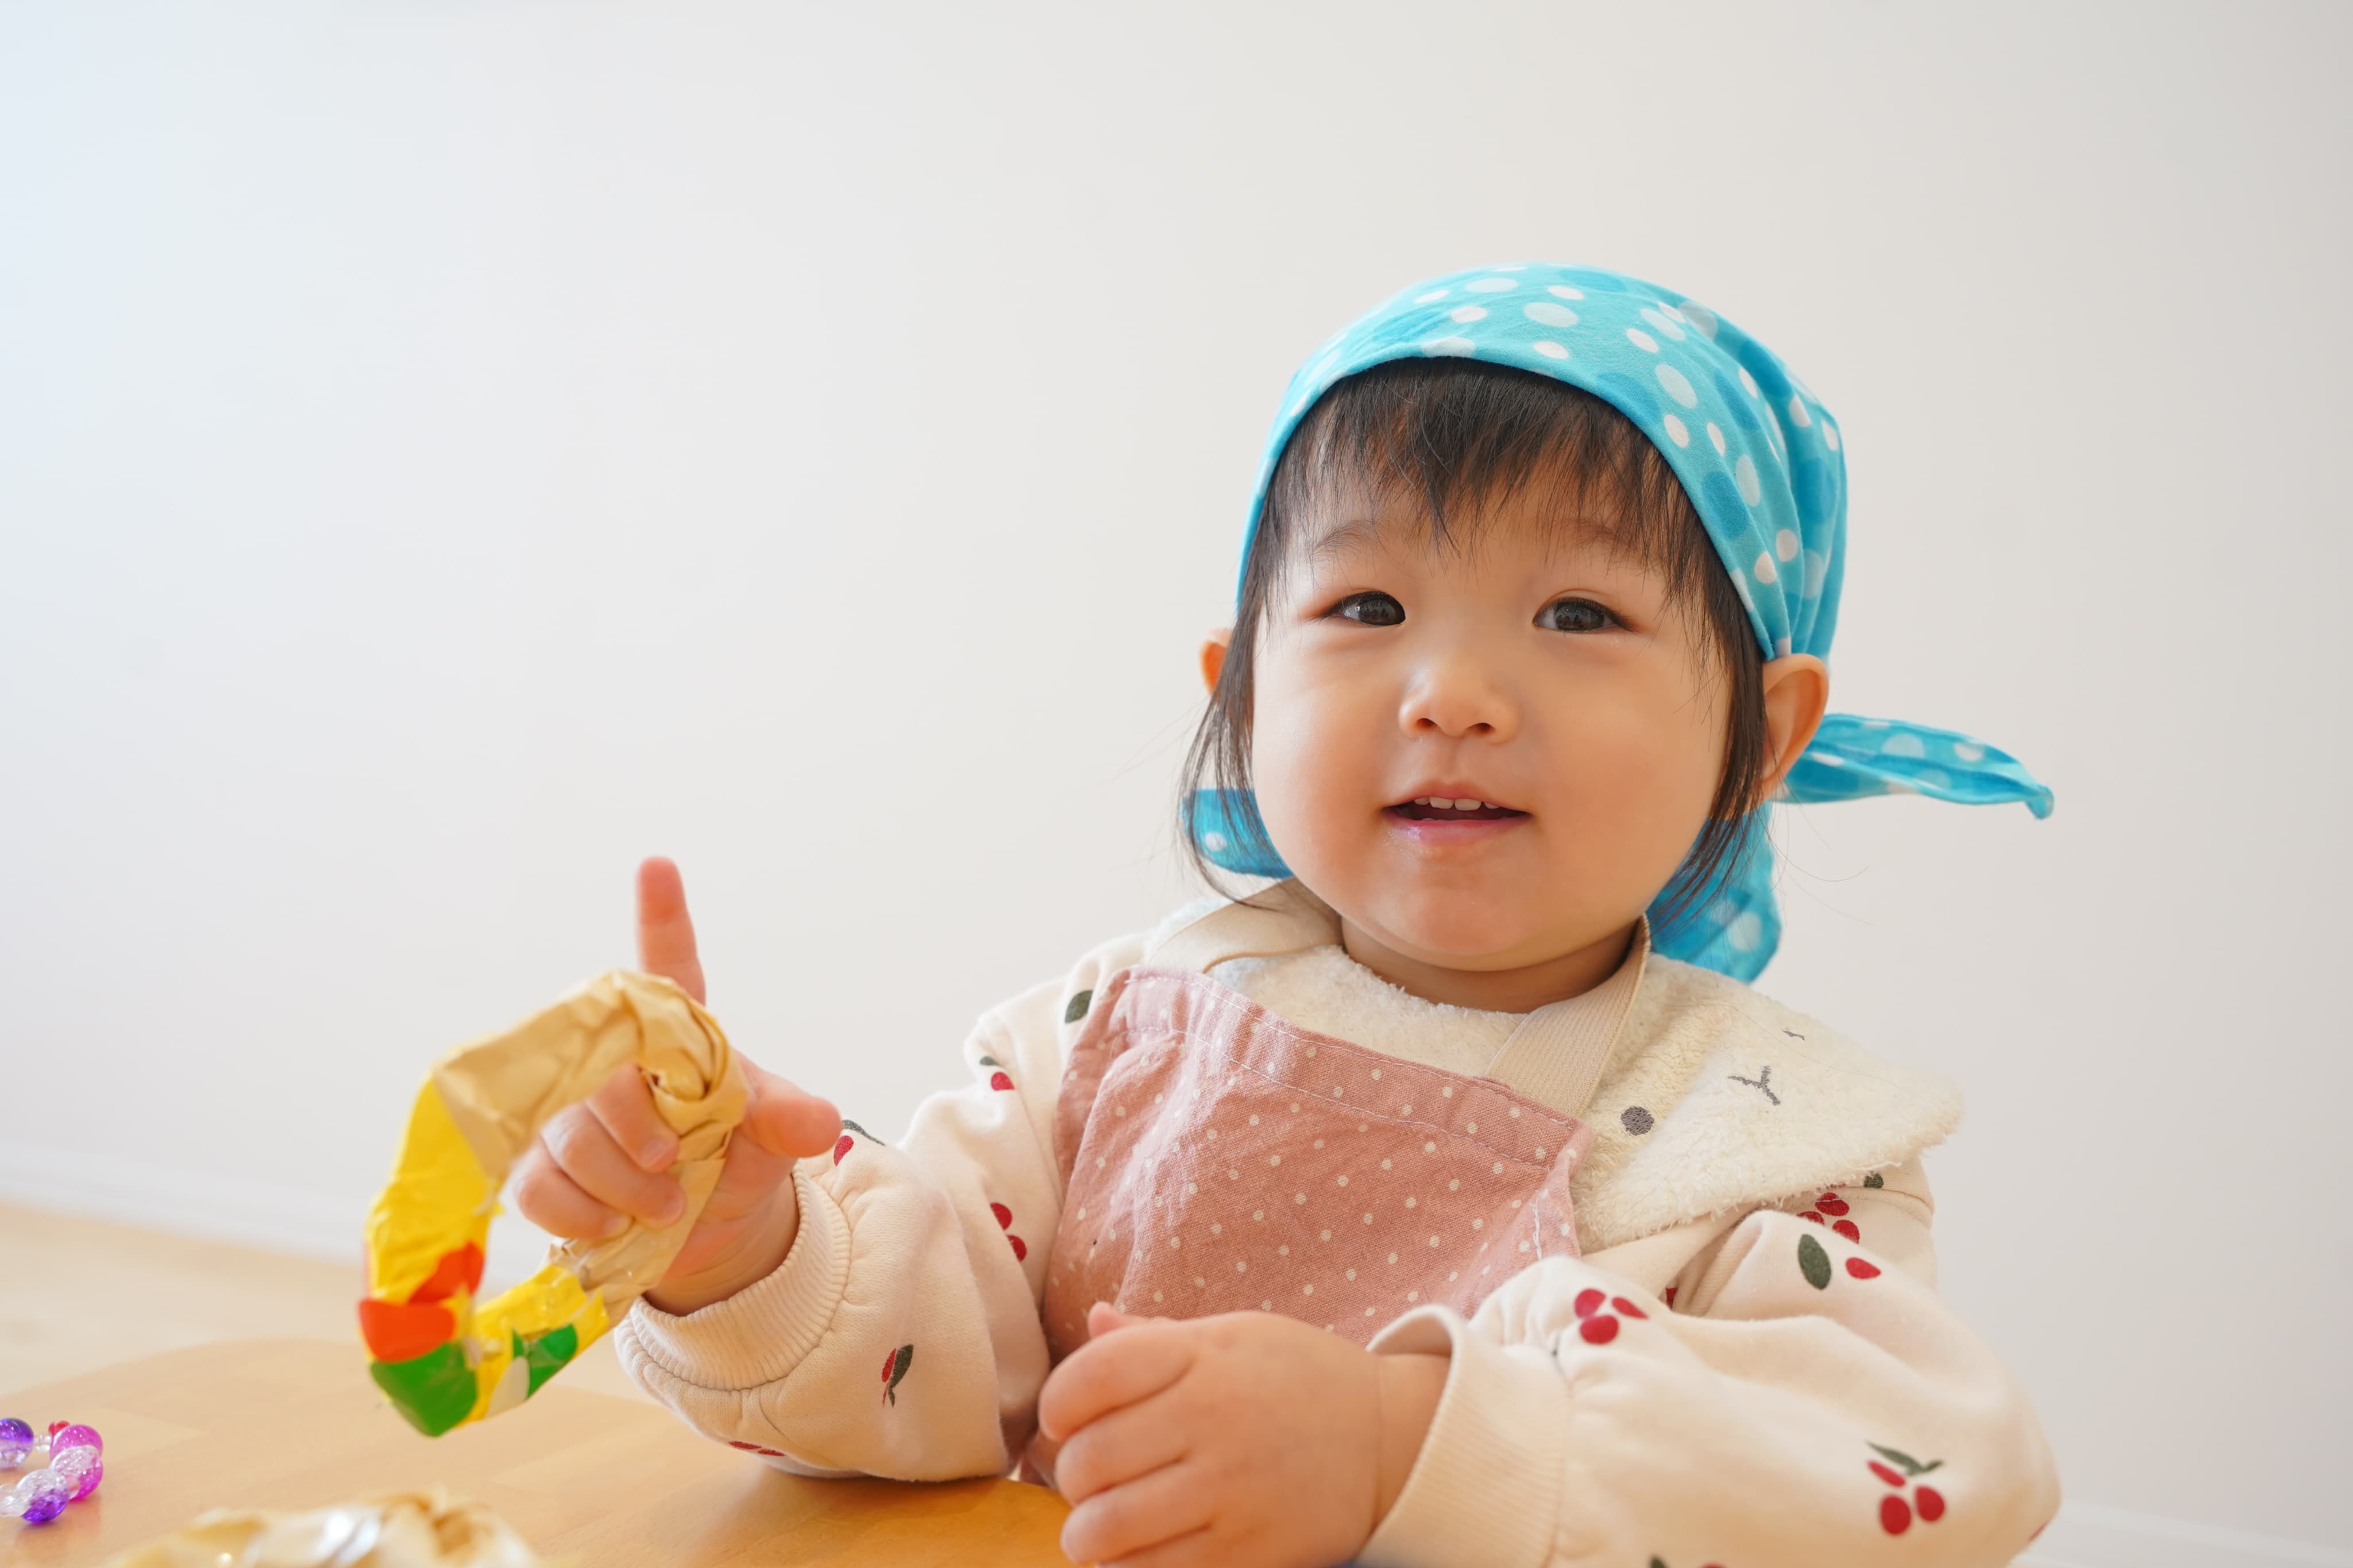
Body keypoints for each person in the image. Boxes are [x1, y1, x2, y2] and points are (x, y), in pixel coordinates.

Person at [512, 263, 2063, 1567]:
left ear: (1764, 736)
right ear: (1244, 692)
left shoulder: (1764, 1144)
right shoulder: (1108, 1042)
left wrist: (1405, 1444)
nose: (1452, 694)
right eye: (1367, 607)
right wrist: (745, 1249)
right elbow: (930, 1372)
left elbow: (1927, 1471)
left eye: (1579, 612)